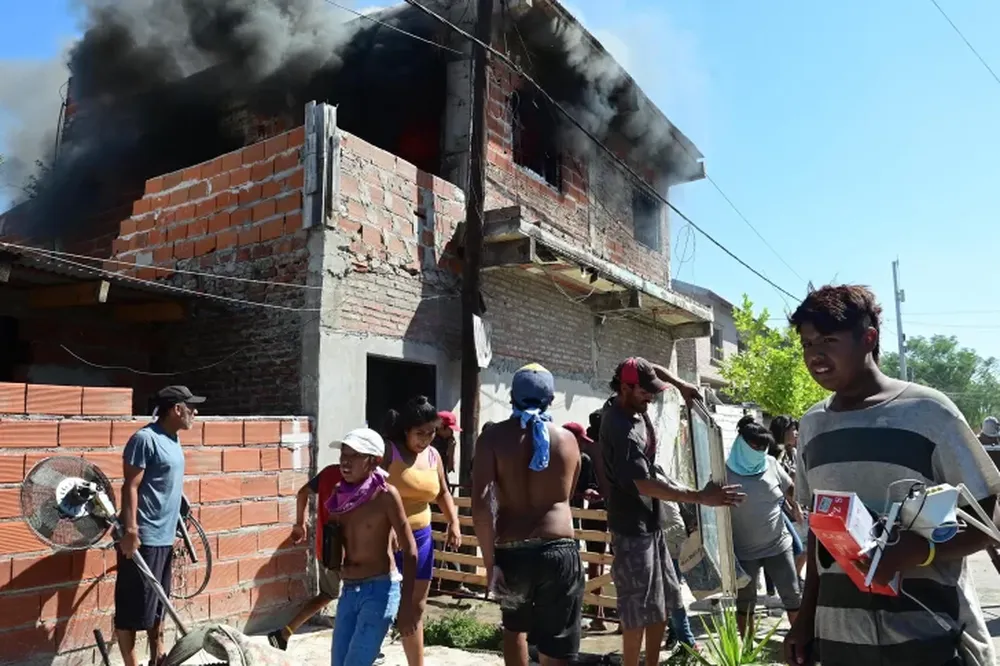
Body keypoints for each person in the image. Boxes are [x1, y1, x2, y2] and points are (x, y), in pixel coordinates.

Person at [784, 285, 1000, 666]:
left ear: (868, 338)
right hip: (841, 641)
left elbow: (987, 523)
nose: (815, 355)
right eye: (807, 343)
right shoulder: (813, 426)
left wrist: (917, 550)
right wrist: (806, 617)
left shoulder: (928, 413)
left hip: (927, 636)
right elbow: (821, 537)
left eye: (829, 340)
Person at [601, 357, 745, 666]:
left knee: (665, 603)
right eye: (645, 392)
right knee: (637, 611)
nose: (651, 397)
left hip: (651, 525)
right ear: (626, 388)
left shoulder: (633, 405)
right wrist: (700, 498)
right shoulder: (621, 429)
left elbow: (648, 365)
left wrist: (681, 386)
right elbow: (643, 483)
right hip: (631, 529)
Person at [471, 363, 584, 666]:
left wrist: (490, 564)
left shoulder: (492, 439)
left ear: (512, 397)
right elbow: (567, 496)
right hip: (559, 550)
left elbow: (480, 508)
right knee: (557, 642)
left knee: (514, 630)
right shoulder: (569, 441)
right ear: (550, 399)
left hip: (513, 553)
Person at [116, 386, 203, 666]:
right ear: (176, 409)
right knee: (132, 608)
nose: (195, 412)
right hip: (144, 536)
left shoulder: (173, 440)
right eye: (190, 407)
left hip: (165, 537)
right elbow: (130, 485)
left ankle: (158, 658)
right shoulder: (145, 439)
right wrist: (131, 532)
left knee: (158, 606)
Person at [269, 455, 383, 663]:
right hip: (352, 555)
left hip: (327, 549)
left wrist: (300, 523)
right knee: (358, 599)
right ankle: (363, 647)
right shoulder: (368, 481)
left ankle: (284, 633)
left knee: (328, 593)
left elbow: (303, 492)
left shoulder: (329, 472)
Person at [328, 428, 418, 666]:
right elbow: (337, 541)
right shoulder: (339, 494)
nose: (345, 462)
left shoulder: (386, 495)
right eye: (343, 455)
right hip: (348, 590)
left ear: (374, 460)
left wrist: (408, 606)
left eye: (355, 456)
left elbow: (410, 550)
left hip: (379, 590)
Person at [383, 397, 462, 666]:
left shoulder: (433, 455)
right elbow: (370, 492)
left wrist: (454, 522)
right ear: (406, 430)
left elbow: (442, 492)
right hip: (387, 541)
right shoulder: (388, 452)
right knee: (382, 604)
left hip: (422, 539)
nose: (426, 439)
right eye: (420, 433)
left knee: (415, 608)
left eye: (430, 433)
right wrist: (387, 526)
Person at [726, 415, 801, 638]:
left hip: (778, 544)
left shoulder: (770, 463)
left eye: (763, 446)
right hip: (744, 551)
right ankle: (748, 651)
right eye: (754, 445)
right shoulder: (724, 472)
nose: (759, 450)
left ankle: (799, 645)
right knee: (745, 602)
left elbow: (790, 488)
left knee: (793, 595)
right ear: (741, 442)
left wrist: (795, 504)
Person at [564, 421, 608, 632]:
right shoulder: (584, 456)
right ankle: (593, 613)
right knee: (592, 560)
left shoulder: (587, 457)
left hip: (591, 512)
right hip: (580, 515)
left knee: (595, 560)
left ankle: (596, 613)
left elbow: (583, 488)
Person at [432, 410, 461, 477]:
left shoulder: (446, 441)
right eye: (450, 429)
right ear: (441, 427)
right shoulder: (430, 442)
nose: (452, 432)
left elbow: (449, 468)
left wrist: (451, 450)